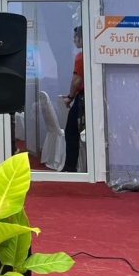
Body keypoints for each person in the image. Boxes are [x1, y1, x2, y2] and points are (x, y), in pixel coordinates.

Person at [62, 25, 84, 173]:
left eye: (76, 37)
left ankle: (70, 168)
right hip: (86, 97)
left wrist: (70, 97)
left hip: (82, 100)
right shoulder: (89, 55)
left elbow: (77, 81)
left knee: (71, 132)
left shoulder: (81, 57)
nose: (74, 40)